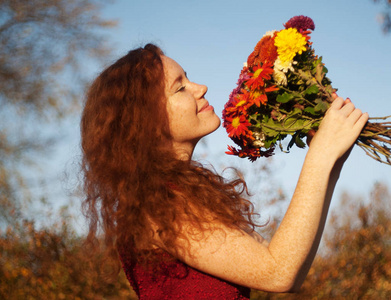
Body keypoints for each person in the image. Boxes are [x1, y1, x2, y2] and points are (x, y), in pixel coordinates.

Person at [80, 44, 368, 299]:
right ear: (146, 120)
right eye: (180, 88)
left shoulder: (175, 194)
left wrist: (333, 163)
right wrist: (320, 157)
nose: (200, 88)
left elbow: (291, 269)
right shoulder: (159, 205)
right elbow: (279, 272)